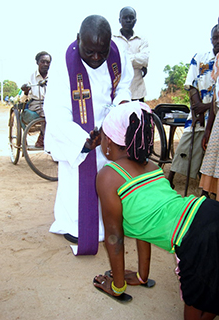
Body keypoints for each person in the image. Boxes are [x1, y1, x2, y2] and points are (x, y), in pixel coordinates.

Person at [93, 101, 219, 319]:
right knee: (213, 290)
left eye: (102, 136)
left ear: (109, 142)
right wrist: (142, 276)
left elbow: (114, 237)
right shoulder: (149, 166)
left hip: (196, 238)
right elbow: (145, 229)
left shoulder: (108, 176)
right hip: (207, 210)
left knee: (197, 302)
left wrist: (118, 286)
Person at [43, 15, 133, 255]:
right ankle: (75, 226)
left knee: (110, 179)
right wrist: (82, 140)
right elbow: (56, 110)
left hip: (109, 130)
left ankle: (109, 225)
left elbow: (124, 85)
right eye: (90, 51)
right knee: (77, 184)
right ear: (78, 39)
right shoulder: (64, 64)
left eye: (101, 52)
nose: (96, 58)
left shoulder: (118, 54)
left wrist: (120, 109)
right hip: (78, 134)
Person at [168, 24, 219, 189]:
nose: (218, 41)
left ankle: (207, 188)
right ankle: (171, 178)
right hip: (199, 112)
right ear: (211, 39)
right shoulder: (200, 58)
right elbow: (191, 85)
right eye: (215, 37)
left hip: (215, 112)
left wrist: (208, 107)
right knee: (187, 142)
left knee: (211, 151)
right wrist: (198, 105)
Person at [113, 6, 149, 102]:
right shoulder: (113, 40)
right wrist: (137, 63)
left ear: (135, 20)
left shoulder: (142, 40)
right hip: (118, 93)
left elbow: (145, 59)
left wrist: (123, 59)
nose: (128, 20)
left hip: (138, 91)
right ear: (120, 20)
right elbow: (112, 60)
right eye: (125, 18)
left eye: (131, 17)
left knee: (139, 117)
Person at [199, 31, 219, 200]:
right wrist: (208, 130)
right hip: (217, 118)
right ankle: (206, 198)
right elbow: (215, 97)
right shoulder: (217, 61)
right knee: (212, 160)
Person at [20, 51, 52, 147]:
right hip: (36, 103)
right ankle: (43, 138)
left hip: (51, 102)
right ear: (37, 62)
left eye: (48, 62)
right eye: (43, 61)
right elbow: (23, 98)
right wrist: (26, 91)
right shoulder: (30, 77)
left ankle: (45, 138)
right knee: (47, 112)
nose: (45, 64)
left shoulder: (54, 77)